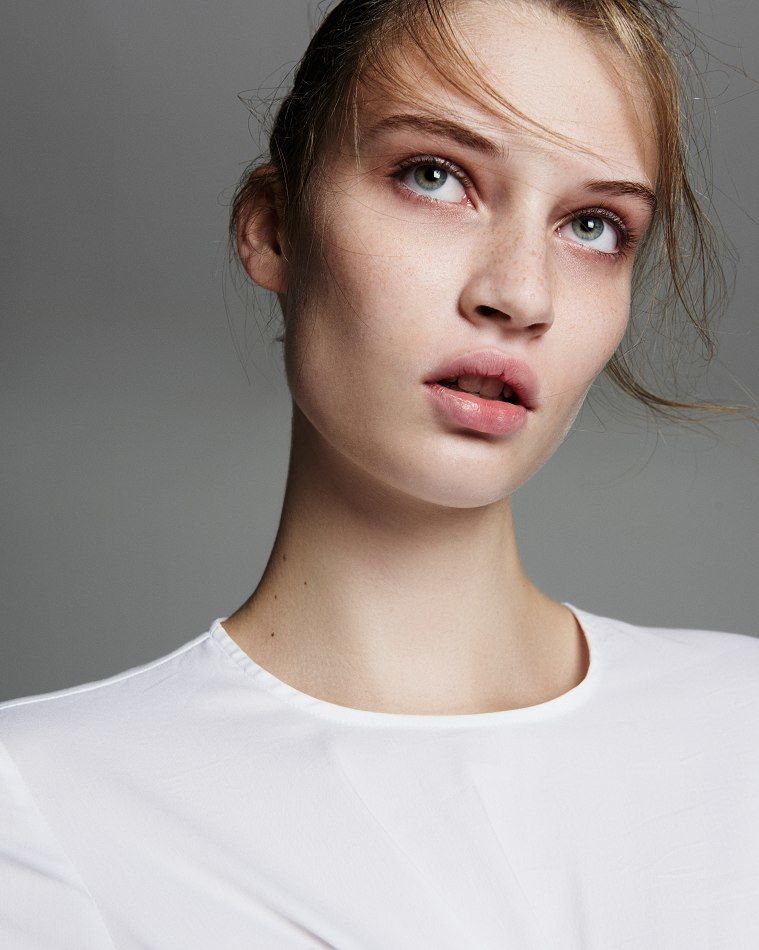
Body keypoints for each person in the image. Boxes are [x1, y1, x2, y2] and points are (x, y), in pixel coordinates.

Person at [1, 0, 758, 946]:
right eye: (434, 176)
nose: (520, 293)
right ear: (275, 227)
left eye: (594, 226)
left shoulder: (743, 724)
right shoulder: (39, 805)